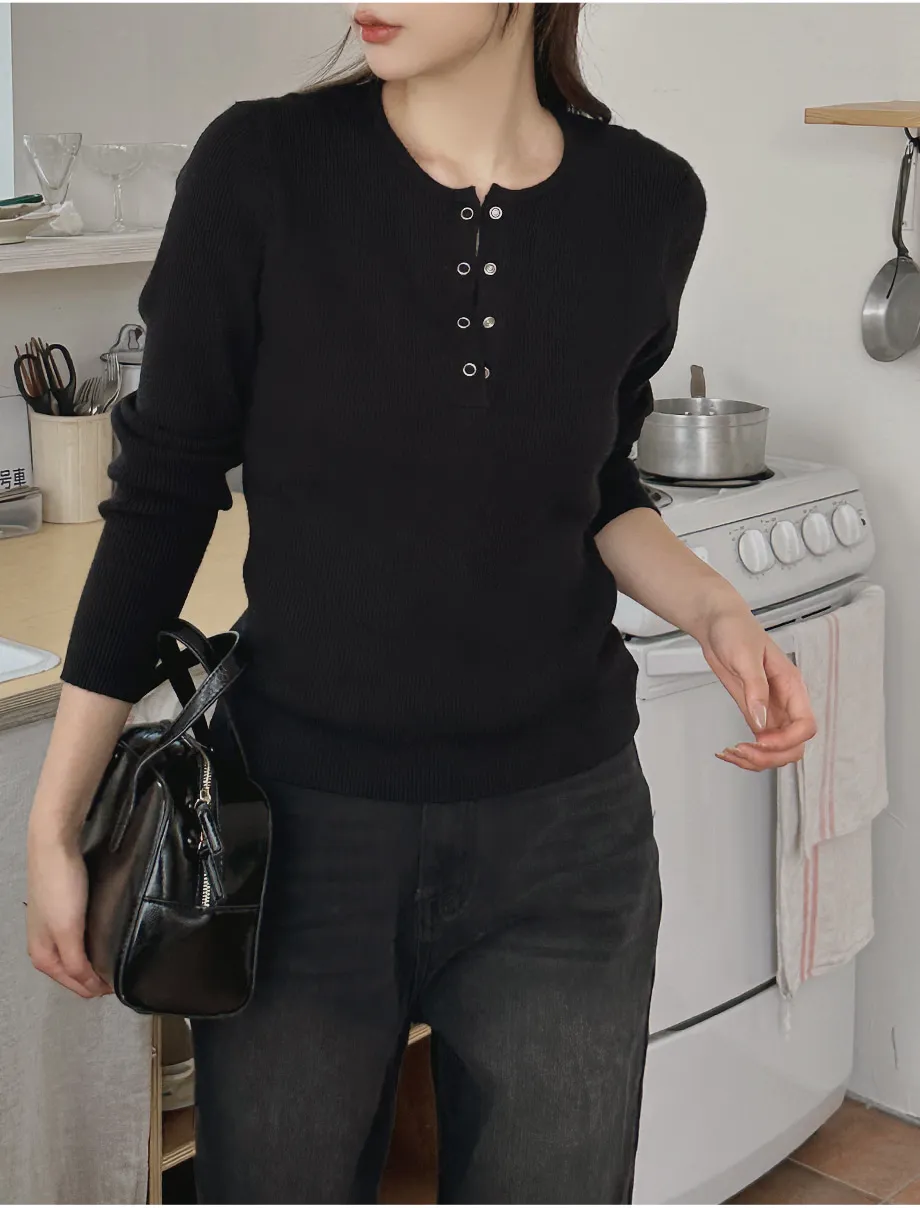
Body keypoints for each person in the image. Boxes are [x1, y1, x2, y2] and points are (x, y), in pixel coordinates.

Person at [25, 4, 816, 1203]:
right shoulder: (261, 168)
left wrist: (714, 609)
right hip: (301, 835)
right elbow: (162, 498)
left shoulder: (649, 201)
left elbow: (598, 480)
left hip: (567, 840)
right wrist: (56, 818)